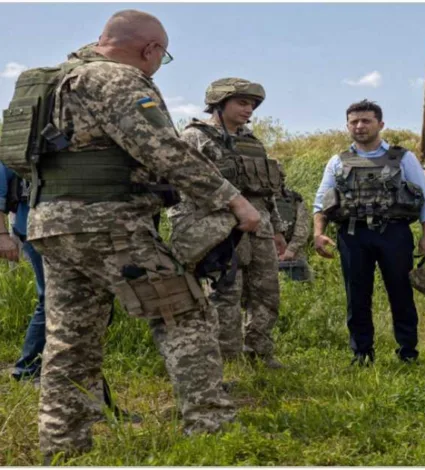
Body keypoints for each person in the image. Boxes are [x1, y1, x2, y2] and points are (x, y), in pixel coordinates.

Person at [6, 10, 261, 460]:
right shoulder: (117, 80)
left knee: (70, 339)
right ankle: (212, 427)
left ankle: (63, 446)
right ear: (151, 50)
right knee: (183, 314)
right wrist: (232, 200)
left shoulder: (58, 81)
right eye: (161, 56)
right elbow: (163, 150)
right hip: (111, 225)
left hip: (52, 225)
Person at [168, 78, 287, 367]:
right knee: (225, 294)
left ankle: (259, 351)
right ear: (219, 104)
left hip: (260, 227)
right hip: (219, 229)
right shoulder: (195, 137)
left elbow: (268, 190)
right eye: (242, 103)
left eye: (253, 105)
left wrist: (278, 230)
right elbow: (187, 186)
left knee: (266, 291)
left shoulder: (251, 142)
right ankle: (227, 360)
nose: (249, 110)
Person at [312, 100, 425, 365]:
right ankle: (362, 353)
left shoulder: (403, 157)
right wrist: (318, 233)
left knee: (401, 292)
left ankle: (408, 352)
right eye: (354, 122)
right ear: (347, 126)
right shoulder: (337, 161)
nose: (359, 126)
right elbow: (321, 200)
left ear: (380, 124)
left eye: (366, 121)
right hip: (353, 234)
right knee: (356, 295)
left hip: (394, 233)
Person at [0, 165, 46, 383]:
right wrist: (1, 235)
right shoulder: (23, 136)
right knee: (49, 297)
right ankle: (27, 369)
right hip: (34, 230)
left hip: (68, 230)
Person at [274, 161, 314, 281]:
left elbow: (303, 227)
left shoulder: (293, 198)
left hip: (293, 251)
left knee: (302, 285)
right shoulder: (255, 199)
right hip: (264, 251)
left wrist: (291, 250)